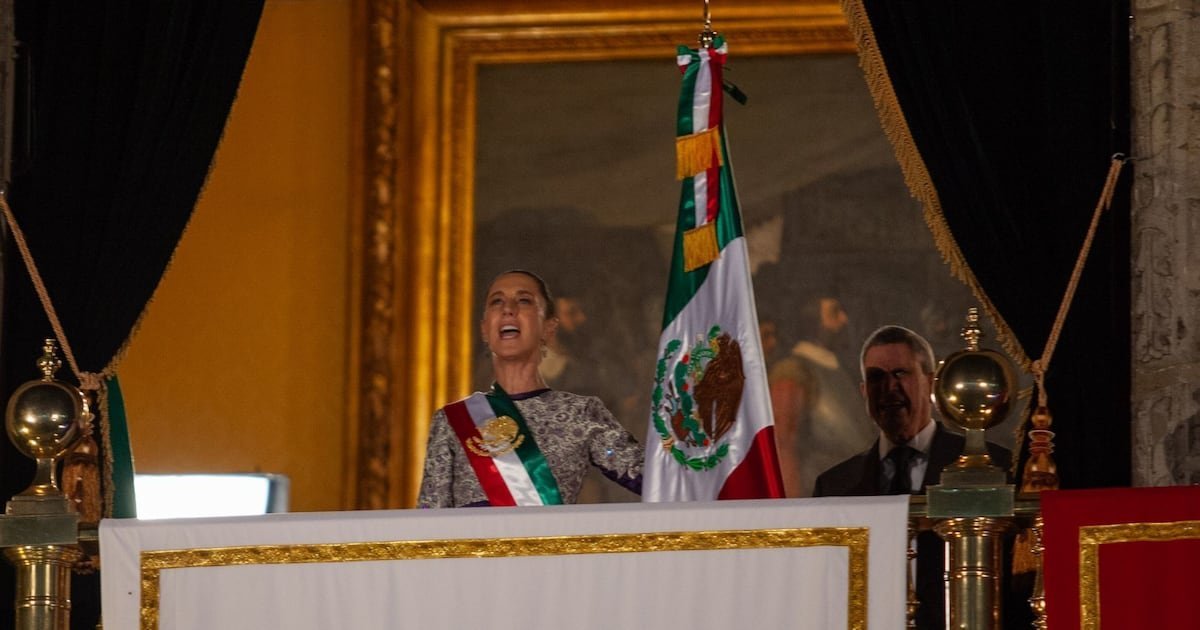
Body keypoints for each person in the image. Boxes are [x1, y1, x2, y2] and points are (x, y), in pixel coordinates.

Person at [813, 325, 1012, 629]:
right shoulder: (834, 485)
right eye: (877, 377)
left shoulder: (993, 466)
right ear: (864, 391)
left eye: (901, 374)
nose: (889, 388)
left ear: (930, 383)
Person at [417, 270, 643, 507]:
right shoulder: (451, 421)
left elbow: (654, 479)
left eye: (523, 300)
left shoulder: (583, 413)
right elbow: (429, 520)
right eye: (497, 301)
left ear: (548, 327)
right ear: (485, 329)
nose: (508, 309)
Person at [769, 296, 874, 497]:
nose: (843, 319)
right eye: (834, 313)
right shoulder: (793, 370)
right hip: (820, 496)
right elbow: (783, 443)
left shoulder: (839, 369)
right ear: (811, 322)